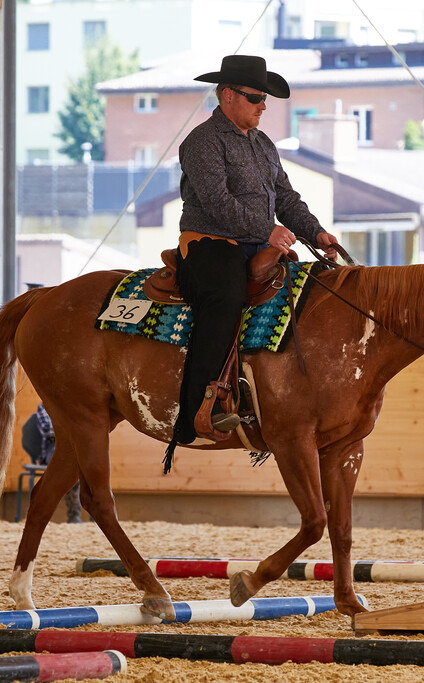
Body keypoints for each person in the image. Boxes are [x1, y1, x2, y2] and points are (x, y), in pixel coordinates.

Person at [170, 54, 340, 448]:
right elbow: (216, 201)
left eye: (264, 99)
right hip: (210, 243)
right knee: (226, 298)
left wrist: (316, 234)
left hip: (257, 244)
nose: (263, 105)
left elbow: (285, 197)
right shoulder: (202, 142)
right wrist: (268, 230)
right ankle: (199, 409)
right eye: (255, 97)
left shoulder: (263, 145)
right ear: (227, 95)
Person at [21, 403, 82, 523]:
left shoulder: (70, 404)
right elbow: (49, 430)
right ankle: (71, 515)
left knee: (75, 463)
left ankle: (74, 516)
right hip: (52, 448)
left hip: (69, 448)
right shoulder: (45, 406)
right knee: (69, 464)